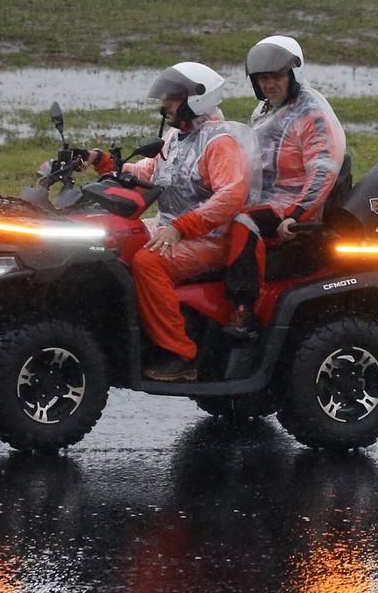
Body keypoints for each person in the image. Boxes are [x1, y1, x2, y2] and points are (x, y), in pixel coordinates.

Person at [91, 62, 259, 381]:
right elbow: (149, 173)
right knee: (114, 241)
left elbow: (232, 196)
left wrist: (181, 229)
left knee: (148, 262)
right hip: (172, 226)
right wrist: (106, 164)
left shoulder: (219, 142)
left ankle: (180, 354)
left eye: (172, 96)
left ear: (197, 98)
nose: (164, 103)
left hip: (210, 237)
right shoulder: (177, 136)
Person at [223, 35, 346, 336]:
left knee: (243, 222)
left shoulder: (311, 115)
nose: (269, 85)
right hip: (266, 197)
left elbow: (323, 171)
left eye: (276, 77)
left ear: (293, 74)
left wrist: (298, 213)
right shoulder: (264, 110)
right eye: (263, 79)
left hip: (293, 206)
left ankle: (244, 309)